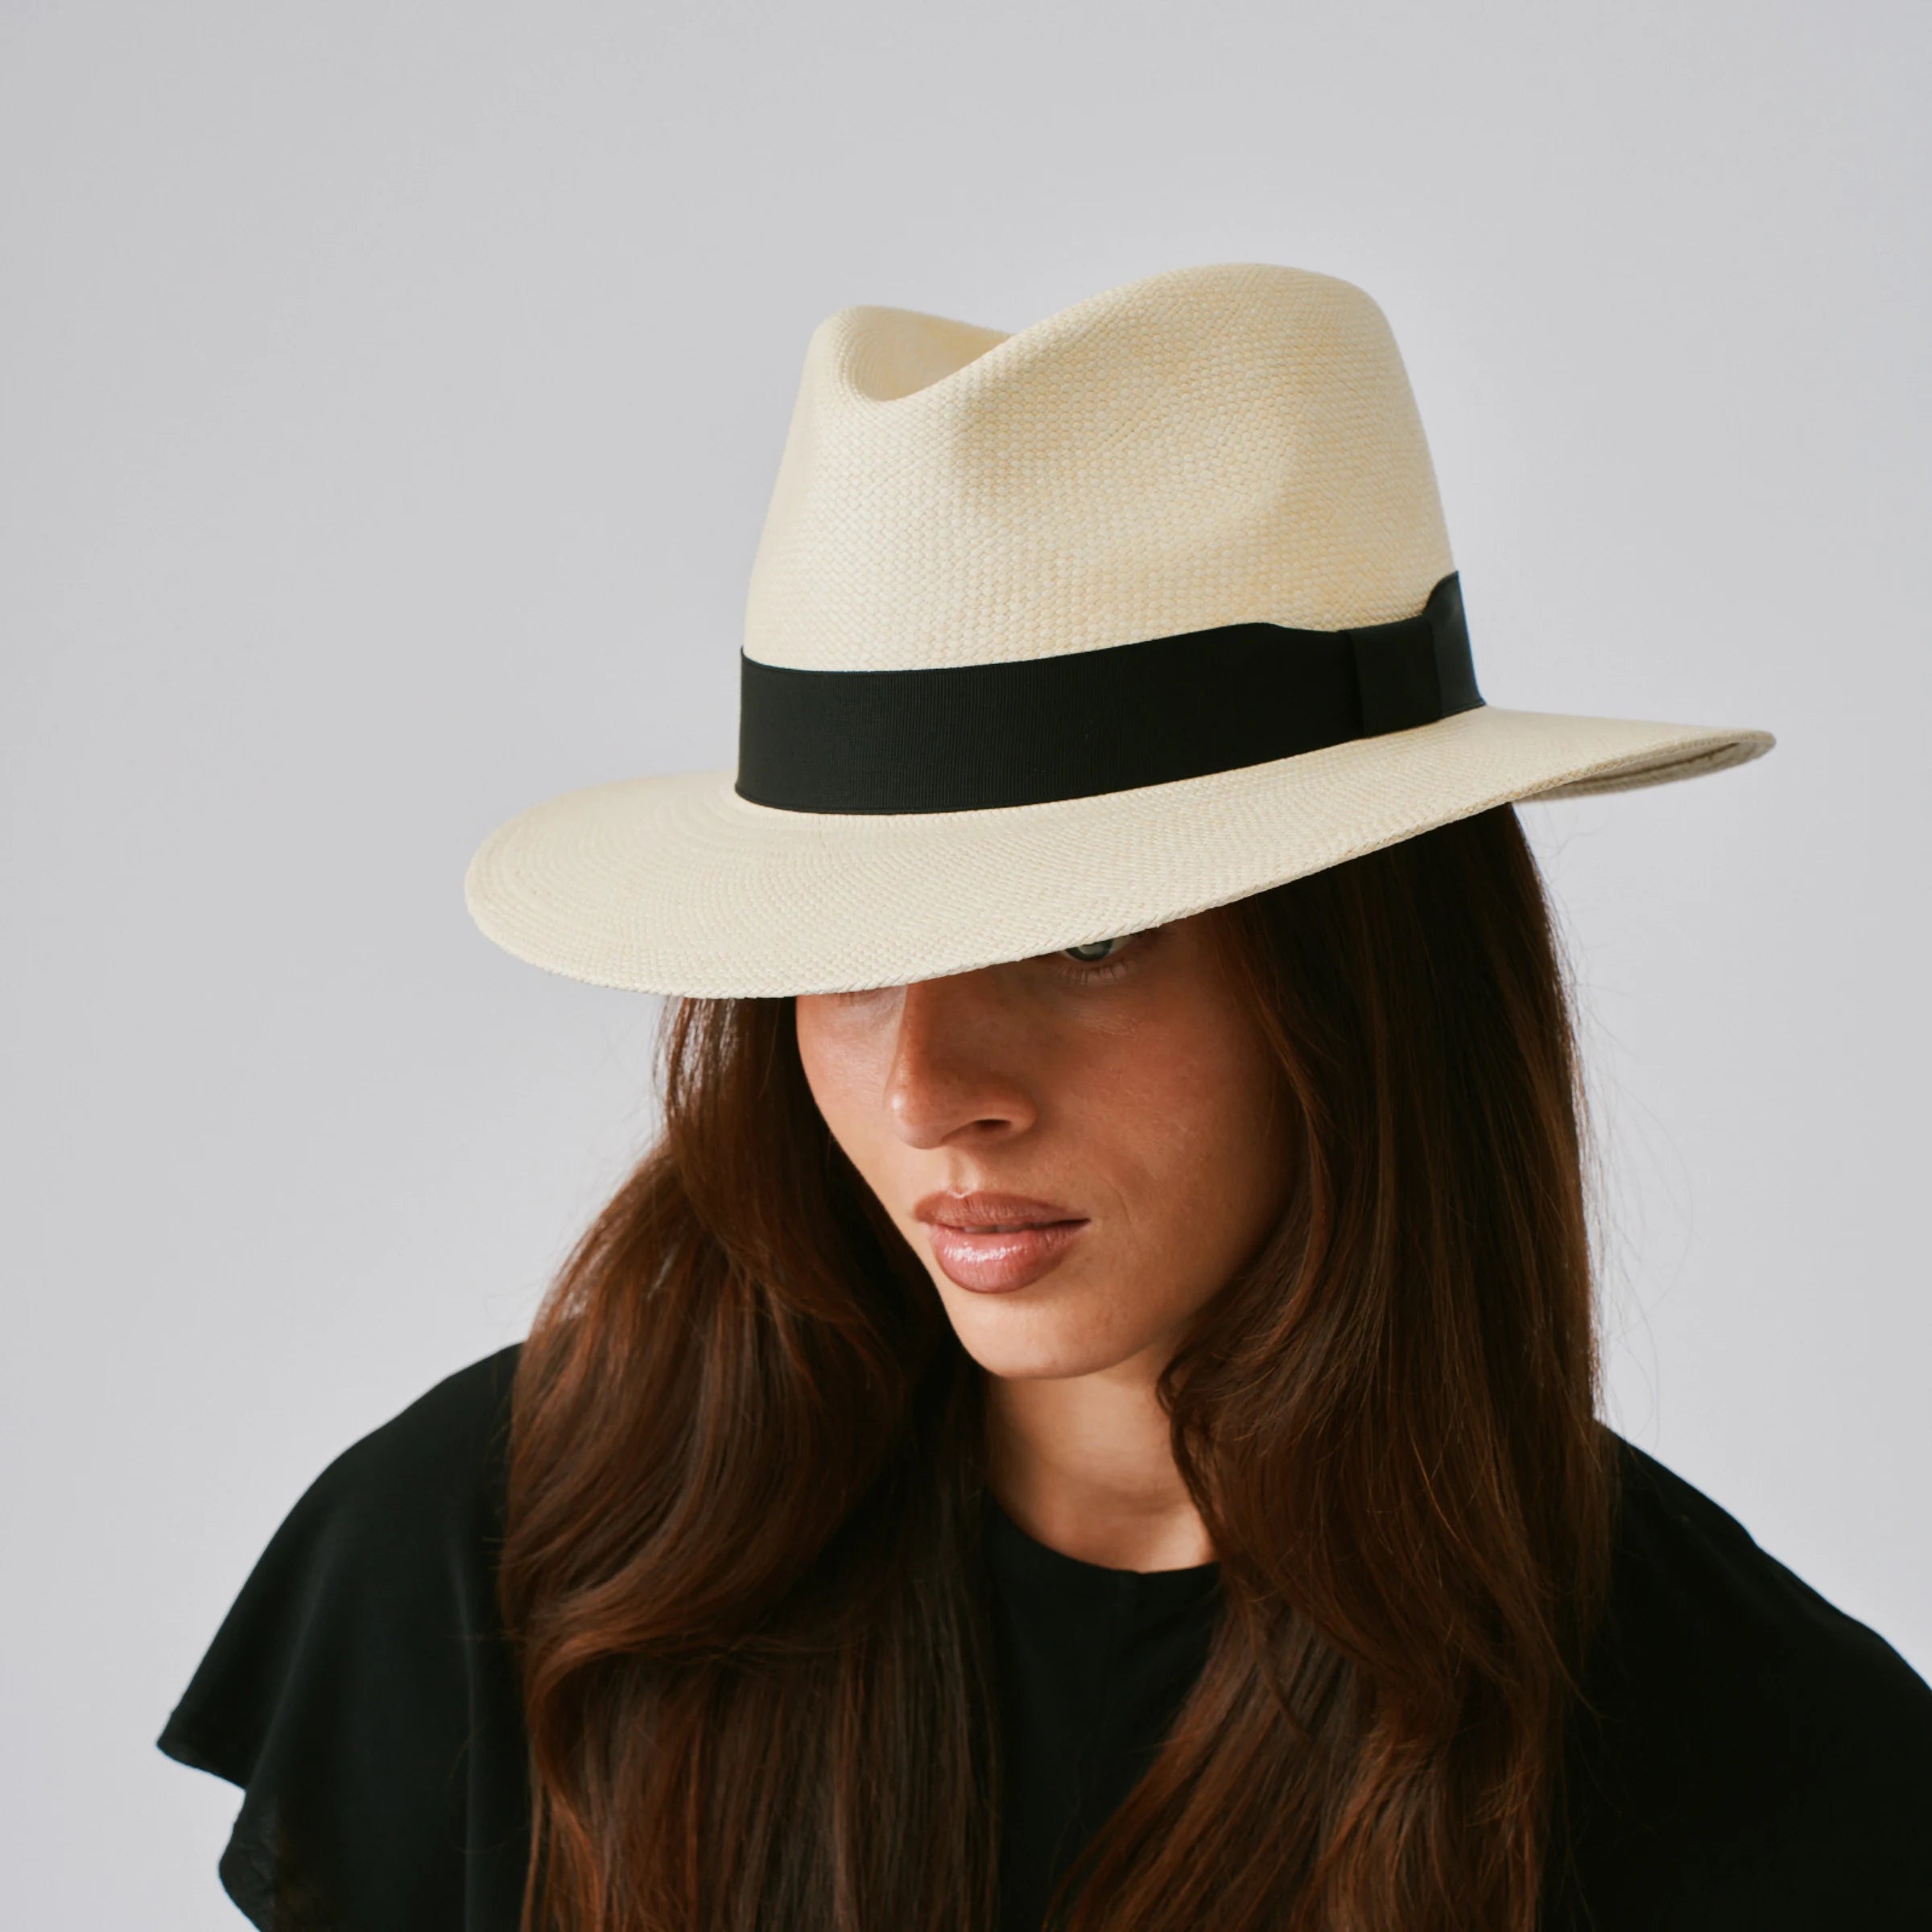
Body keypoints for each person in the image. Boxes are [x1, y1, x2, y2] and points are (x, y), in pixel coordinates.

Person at [159, 264, 1932, 1932]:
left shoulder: (1756, 1759)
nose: (930, 1089)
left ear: (1367, 983)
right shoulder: (513, 1545)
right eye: (849, 957)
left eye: (1085, 940)